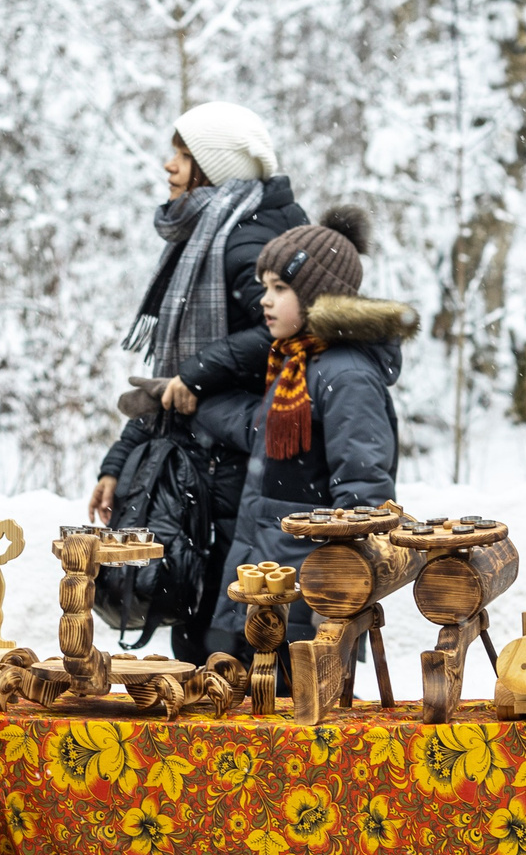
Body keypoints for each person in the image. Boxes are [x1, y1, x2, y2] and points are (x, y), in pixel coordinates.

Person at [86, 102, 307, 661]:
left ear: (214, 167)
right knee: (210, 633)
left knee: (231, 640)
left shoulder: (245, 241)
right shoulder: (211, 232)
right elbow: (170, 379)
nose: (170, 166)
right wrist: (118, 462)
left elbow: (284, 334)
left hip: (239, 466)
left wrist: (199, 372)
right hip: (207, 465)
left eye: (184, 156)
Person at [190, 206, 416, 655]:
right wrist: (192, 401)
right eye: (265, 287)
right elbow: (260, 430)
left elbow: (364, 495)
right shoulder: (299, 365)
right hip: (269, 574)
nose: (265, 300)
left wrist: (336, 593)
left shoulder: (347, 375)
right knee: (256, 696)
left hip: (306, 590)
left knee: (300, 700)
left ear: (317, 297)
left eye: (280, 288)